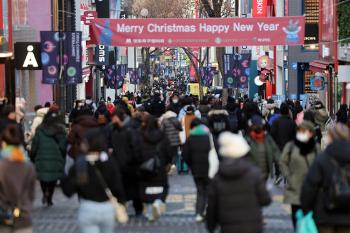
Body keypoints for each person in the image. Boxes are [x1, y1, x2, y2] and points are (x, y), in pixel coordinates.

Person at [61, 128, 126, 233]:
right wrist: (121, 202)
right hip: (107, 207)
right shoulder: (109, 163)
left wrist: (63, 176)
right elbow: (117, 187)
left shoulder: (80, 164)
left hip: (88, 207)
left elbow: (68, 190)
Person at [206, 132, 271, 233]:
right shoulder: (254, 173)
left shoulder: (218, 177)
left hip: (228, 228)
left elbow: (211, 208)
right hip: (252, 227)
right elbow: (265, 200)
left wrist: (210, 227)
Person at [301, 123, 350, 233]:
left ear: (331, 137)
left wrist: (306, 209)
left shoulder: (322, 159)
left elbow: (310, 186)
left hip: (324, 215)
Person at [279, 120, 321, 229]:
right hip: (295, 187)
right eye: (300, 131)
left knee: (311, 217)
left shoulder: (316, 147)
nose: (301, 133)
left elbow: (321, 164)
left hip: (312, 188)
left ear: (311, 133)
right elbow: (282, 162)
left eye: (304, 131)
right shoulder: (291, 146)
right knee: (296, 217)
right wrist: (288, 176)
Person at [0, 125, 36, 233]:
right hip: (23, 217)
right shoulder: (28, 166)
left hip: (2, 217)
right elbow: (31, 194)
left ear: (3, 143)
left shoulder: (2, 165)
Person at [137, 116, 172, 221]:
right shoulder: (163, 136)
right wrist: (167, 162)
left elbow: (136, 152)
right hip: (160, 166)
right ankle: (158, 202)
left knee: (145, 188)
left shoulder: (141, 136)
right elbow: (168, 152)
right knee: (162, 186)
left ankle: (148, 211)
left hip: (145, 167)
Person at [30, 110, 67, 206]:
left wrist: (33, 156)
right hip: (55, 157)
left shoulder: (40, 129)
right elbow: (63, 146)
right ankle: (49, 196)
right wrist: (61, 155)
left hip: (41, 156)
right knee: (53, 178)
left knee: (43, 177)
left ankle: (44, 193)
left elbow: (35, 145)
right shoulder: (60, 130)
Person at [110, 109, 143, 216]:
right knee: (120, 189)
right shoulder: (114, 131)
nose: (112, 119)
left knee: (134, 189)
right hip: (119, 166)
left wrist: (132, 160)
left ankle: (138, 209)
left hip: (130, 166)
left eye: (114, 117)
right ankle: (121, 208)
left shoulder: (129, 130)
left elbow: (136, 148)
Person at [182, 119, 211, 222]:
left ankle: (199, 213)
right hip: (209, 168)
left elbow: (185, 155)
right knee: (209, 190)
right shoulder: (208, 137)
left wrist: (191, 164)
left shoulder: (190, 138)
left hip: (196, 169)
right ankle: (209, 212)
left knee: (200, 191)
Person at [245, 115, 280, 181]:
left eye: (260, 124)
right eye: (256, 125)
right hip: (251, 173)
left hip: (265, 173)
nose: (258, 126)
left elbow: (276, 153)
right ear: (251, 126)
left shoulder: (267, 138)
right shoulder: (247, 140)